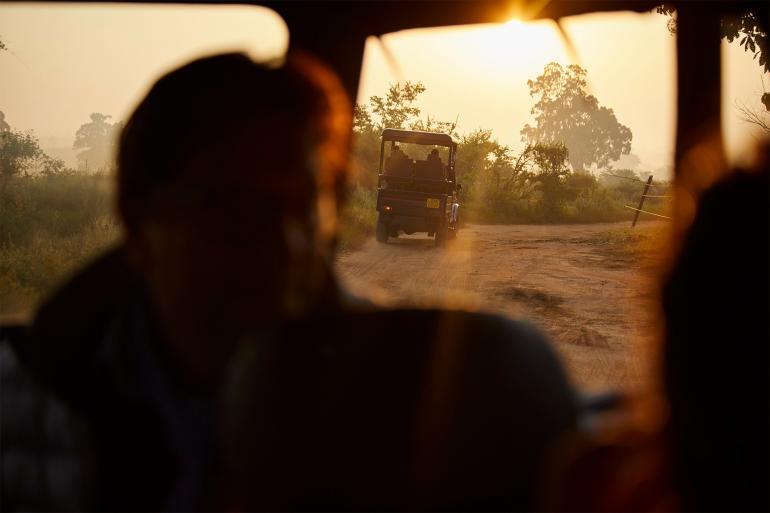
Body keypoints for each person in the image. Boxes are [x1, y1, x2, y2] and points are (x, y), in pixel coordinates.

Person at [2, 51, 579, 512]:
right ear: (137, 223)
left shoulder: (395, 380)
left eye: (304, 208)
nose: (288, 246)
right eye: (235, 210)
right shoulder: (29, 402)